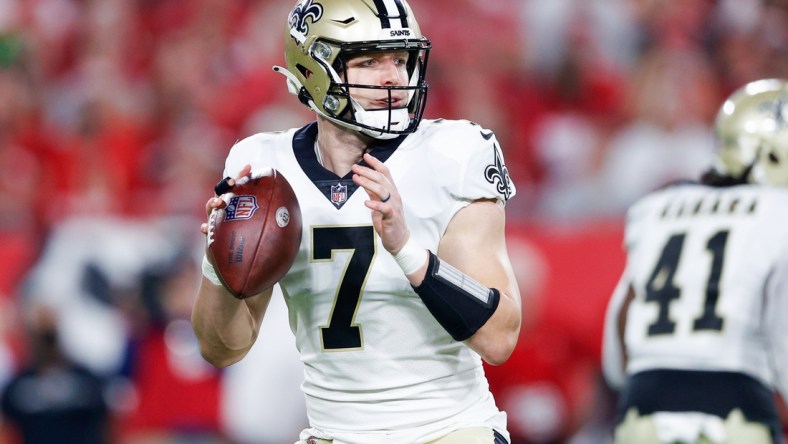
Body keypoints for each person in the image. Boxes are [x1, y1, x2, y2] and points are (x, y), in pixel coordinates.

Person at [190, 1, 522, 443]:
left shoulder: (454, 153)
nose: (393, 77)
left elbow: (499, 338)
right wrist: (219, 261)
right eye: (369, 61)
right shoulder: (262, 164)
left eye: (400, 60)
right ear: (312, 70)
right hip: (335, 434)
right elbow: (222, 348)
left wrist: (407, 251)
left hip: (447, 429)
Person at [601, 78, 788, 444]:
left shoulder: (654, 207)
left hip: (643, 407)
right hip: (734, 406)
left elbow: (616, 351)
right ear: (770, 152)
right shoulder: (779, 212)